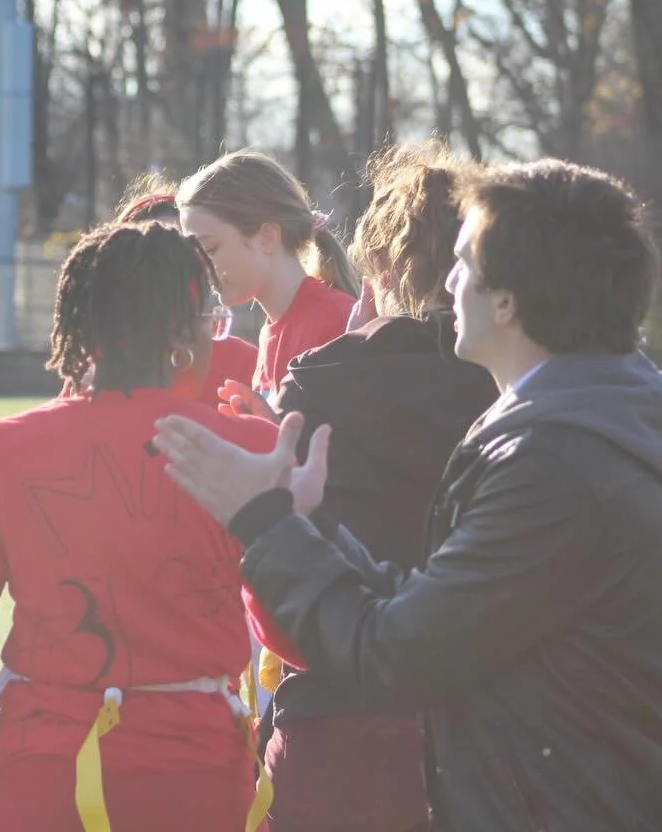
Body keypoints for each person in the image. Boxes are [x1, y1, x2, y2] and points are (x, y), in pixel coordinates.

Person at [154, 159, 662, 831]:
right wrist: (303, 521)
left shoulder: (555, 460)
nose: (447, 281)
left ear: (508, 300)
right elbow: (434, 608)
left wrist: (265, 521)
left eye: (465, 263)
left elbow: (398, 656)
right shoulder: (598, 418)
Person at [0, 221, 275, 832]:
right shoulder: (250, 446)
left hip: (45, 787)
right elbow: (301, 642)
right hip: (199, 791)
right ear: (182, 330)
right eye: (209, 318)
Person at [243, 144, 498, 832]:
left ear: (381, 266)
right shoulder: (510, 386)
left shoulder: (320, 381)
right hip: (483, 720)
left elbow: (276, 592)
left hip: (337, 713)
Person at [176, 151, 358, 402]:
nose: (199, 267)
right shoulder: (272, 329)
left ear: (267, 237)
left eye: (210, 249)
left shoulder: (335, 320)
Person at [115, 179, 258, 401]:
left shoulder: (243, 362)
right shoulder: (105, 360)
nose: (172, 266)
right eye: (153, 256)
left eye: (185, 250)